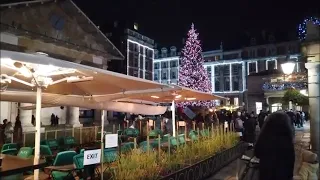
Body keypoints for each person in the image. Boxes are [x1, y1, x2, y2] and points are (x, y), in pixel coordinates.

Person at [254, 112, 295, 180]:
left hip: (266, 174)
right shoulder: (287, 139)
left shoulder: (265, 137)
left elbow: (257, 153)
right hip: (284, 175)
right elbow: (291, 160)